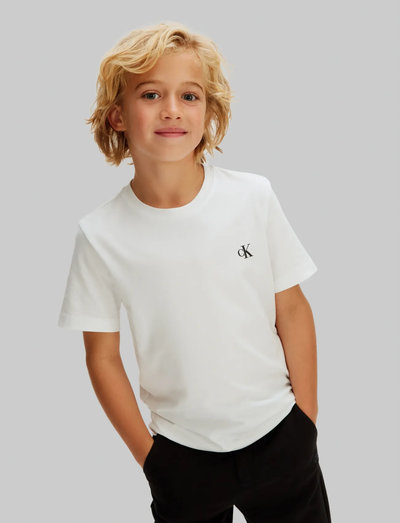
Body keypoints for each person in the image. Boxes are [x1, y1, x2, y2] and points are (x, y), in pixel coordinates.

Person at [58, 21, 332, 523]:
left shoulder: (253, 197)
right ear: (117, 115)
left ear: (209, 112)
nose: (172, 109)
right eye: (150, 94)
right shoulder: (100, 234)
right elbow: (102, 357)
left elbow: (292, 309)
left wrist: (306, 421)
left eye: (189, 95)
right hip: (181, 459)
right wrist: (151, 460)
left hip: (279, 437)